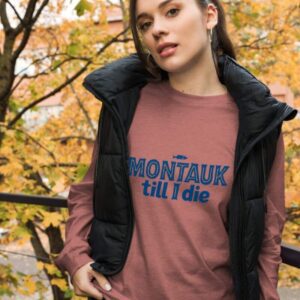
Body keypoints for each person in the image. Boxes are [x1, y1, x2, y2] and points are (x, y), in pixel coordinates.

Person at [54, 0, 298, 299]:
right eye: (145, 24)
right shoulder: (124, 105)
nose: (157, 29)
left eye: (172, 11)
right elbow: (89, 192)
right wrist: (76, 257)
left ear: (209, 15)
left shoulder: (259, 124)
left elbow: (267, 235)